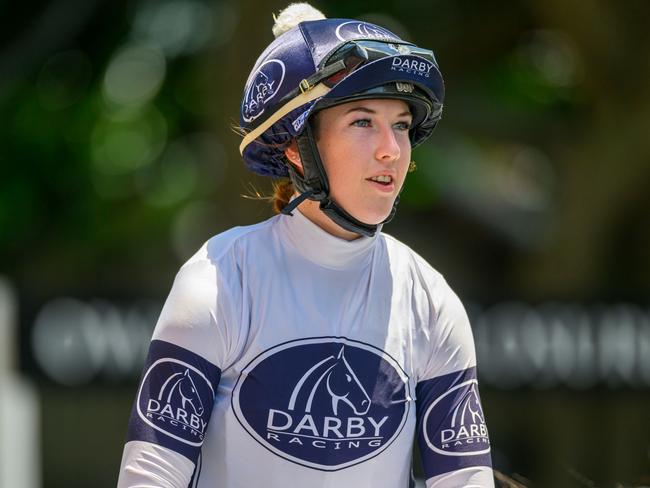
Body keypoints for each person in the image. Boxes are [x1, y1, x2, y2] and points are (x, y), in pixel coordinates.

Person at [117, 3, 494, 487]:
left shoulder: (431, 299)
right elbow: (149, 476)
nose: (391, 149)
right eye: (363, 122)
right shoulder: (219, 279)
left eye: (400, 124)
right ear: (297, 145)